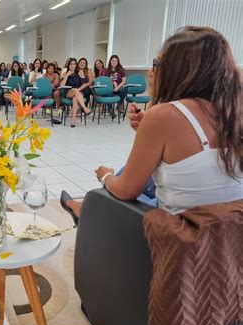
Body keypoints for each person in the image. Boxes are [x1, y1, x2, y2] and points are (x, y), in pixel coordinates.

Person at [61, 26, 243, 224]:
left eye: (157, 64)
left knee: (111, 186)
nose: (150, 71)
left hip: (180, 231)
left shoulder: (164, 115)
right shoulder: (234, 110)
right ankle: (85, 206)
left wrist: (106, 177)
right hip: (228, 227)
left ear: (178, 70)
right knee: (138, 172)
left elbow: (125, 191)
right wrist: (146, 131)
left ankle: (86, 207)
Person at [60, 58, 92, 127]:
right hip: (69, 92)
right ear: (68, 65)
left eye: (74, 64)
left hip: (79, 92)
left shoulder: (80, 72)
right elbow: (62, 85)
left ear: (76, 65)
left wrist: (78, 90)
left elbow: (84, 83)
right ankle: (85, 108)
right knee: (75, 90)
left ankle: (73, 121)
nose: (72, 65)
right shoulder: (65, 73)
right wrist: (67, 75)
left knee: (75, 98)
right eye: (71, 64)